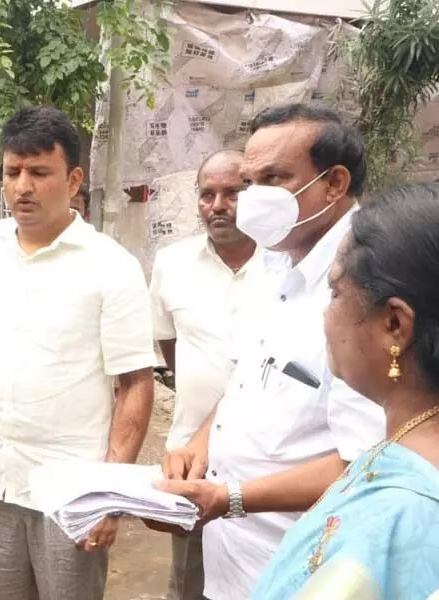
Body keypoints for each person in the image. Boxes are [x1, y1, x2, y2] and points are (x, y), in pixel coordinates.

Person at [153, 104, 385, 600]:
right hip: (232, 559)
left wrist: (229, 498)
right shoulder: (276, 261)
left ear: (334, 183)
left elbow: (368, 461)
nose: (252, 200)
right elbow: (245, 383)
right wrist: (196, 448)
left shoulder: (365, 286)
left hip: (308, 567)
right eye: (249, 181)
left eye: (273, 179)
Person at [0, 106, 157, 600]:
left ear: (73, 181)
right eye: (12, 173)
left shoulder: (110, 266)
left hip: (71, 489)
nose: (22, 187)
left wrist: (109, 496)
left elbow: (136, 384)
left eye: (38, 173)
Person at [250, 183, 439, 599]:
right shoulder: (401, 453)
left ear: (395, 325)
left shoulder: (395, 515)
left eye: (335, 292)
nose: (324, 312)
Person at [149, 149, 265, 600]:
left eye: (233, 192)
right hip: (193, 457)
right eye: (207, 195)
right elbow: (168, 343)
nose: (218, 205)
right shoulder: (171, 264)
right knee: (190, 582)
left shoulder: (286, 263)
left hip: (270, 458)